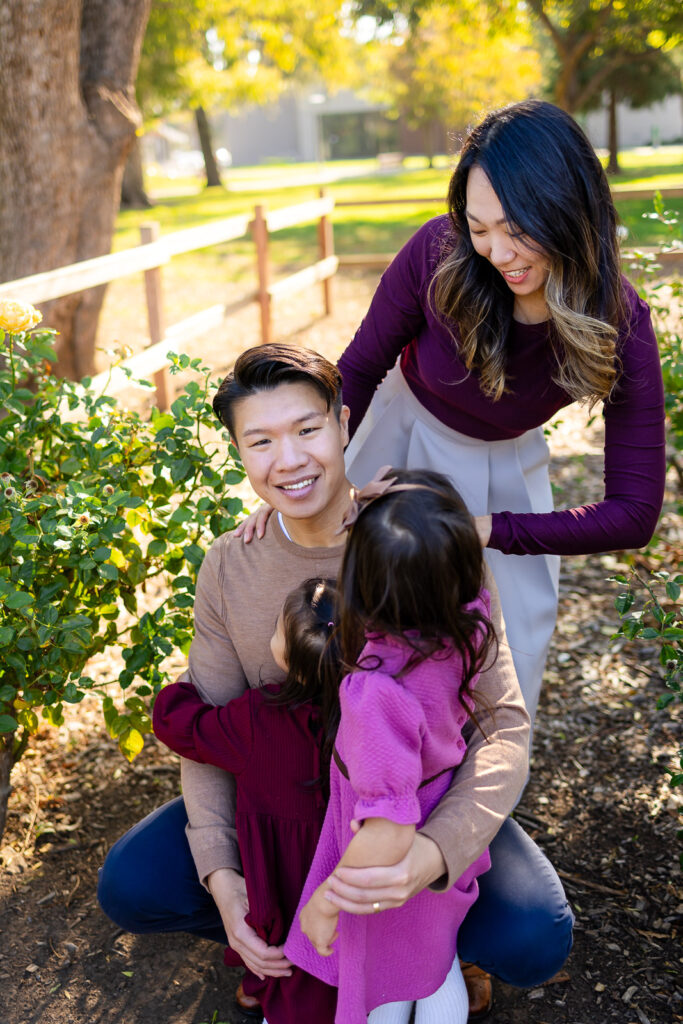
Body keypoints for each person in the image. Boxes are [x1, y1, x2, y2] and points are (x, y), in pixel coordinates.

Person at [97, 344, 572, 1020]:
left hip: (411, 803)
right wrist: (226, 880)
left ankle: (436, 949)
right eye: (260, 441)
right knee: (135, 884)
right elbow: (208, 728)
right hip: (281, 811)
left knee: (533, 937)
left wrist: (435, 852)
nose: (288, 461)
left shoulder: (418, 539)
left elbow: (504, 722)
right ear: (239, 452)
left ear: (344, 425)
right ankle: (288, 954)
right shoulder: (232, 565)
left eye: (306, 430)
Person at [337, 98, 666, 727]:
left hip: (505, 468)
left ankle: (476, 807)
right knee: (352, 617)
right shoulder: (439, 252)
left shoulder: (620, 322)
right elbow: (357, 368)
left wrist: (486, 529)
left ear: (568, 211)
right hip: (396, 432)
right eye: (479, 226)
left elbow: (634, 513)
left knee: (515, 647)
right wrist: (328, 476)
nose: (497, 251)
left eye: (517, 228)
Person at [285, 467, 497, 1024]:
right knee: (434, 966)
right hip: (447, 826)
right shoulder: (469, 622)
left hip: (385, 865)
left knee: (383, 984)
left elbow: (389, 823)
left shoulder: (373, 692)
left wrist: (327, 901)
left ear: (361, 583)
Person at [153, 578, 341, 1024]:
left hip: (281, 880)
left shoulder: (256, 718)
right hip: (343, 881)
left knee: (293, 980)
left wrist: (183, 684)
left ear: (283, 655)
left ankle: (274, 993)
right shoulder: (363, 722)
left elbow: (177, 725)